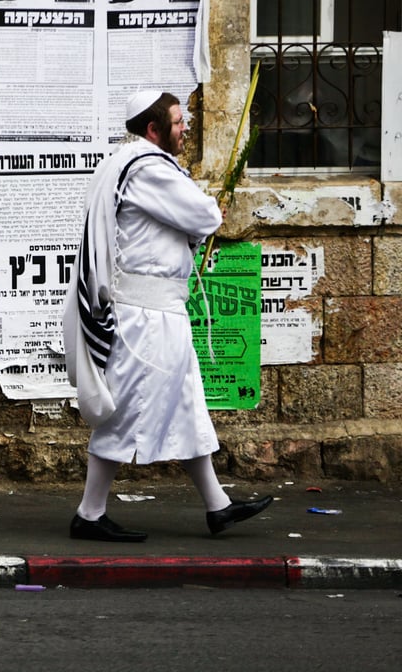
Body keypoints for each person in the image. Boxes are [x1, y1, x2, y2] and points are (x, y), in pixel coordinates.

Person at [61, 89, 273, 542]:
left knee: (186, 404)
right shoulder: (149, 169)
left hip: (159, 310)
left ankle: (218, 506)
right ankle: (90, 513)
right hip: (146, 315)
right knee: (125, 411)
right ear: (153, 129)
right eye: (178, 122)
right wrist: (211, 209)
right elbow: (204, 214)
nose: (185, 128)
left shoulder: (126, 164)